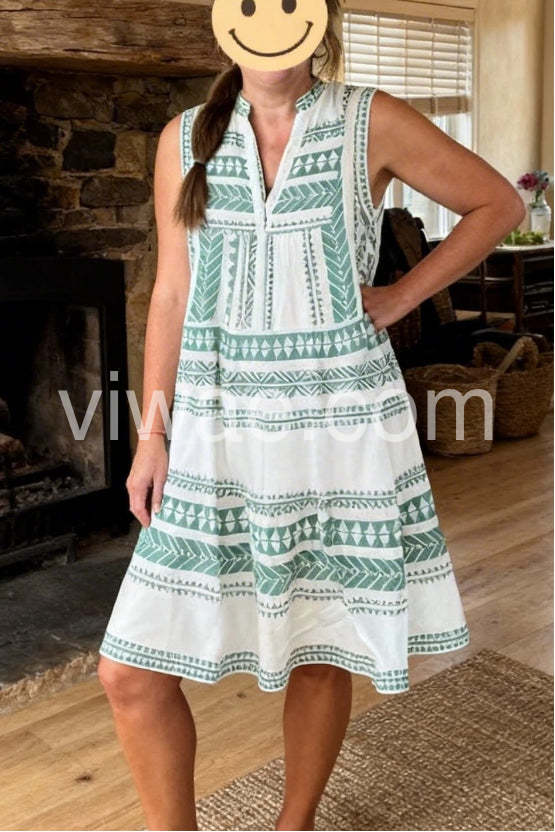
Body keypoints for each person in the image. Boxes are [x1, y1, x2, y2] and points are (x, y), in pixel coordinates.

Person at [96, 3, 526, 830]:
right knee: (130, 672)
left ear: (319, 19)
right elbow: (171, 295)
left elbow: (495, 205)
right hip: (216, 430)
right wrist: (152, 434)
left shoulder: (372, 119)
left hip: (341, 425)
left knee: (319, 645)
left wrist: (399, 295)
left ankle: (293, 826)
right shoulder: (183, 138)